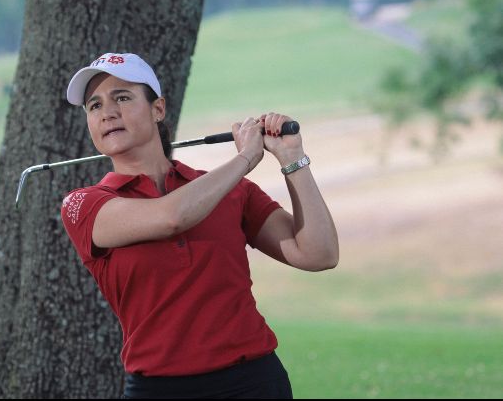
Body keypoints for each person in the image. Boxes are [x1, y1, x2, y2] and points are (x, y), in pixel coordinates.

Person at [60, 52, 338, 399]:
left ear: (158, 109)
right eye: (94, 106)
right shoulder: (83, 205)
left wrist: (292, 158)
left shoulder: (229, 189)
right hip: (159, 390)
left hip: (253, 381)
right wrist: (246, 158)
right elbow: (171, 218)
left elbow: (318, 253)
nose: (108, 113)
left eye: (123, 97)